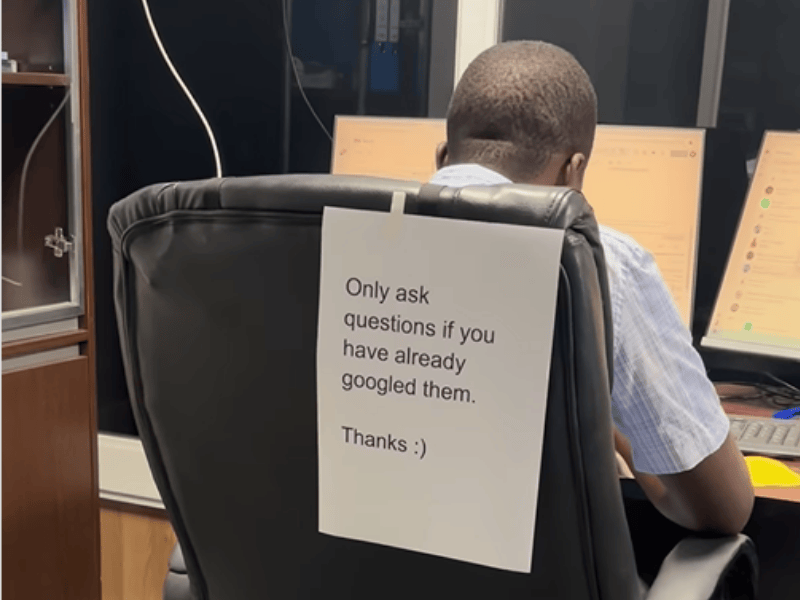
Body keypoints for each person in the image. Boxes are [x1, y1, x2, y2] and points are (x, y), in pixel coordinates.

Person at [430, 40, 754, 535]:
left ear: (442, 156)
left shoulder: (334, 243)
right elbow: (722, 510)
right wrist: (607, 422)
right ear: (573, 171)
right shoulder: (601, 261)